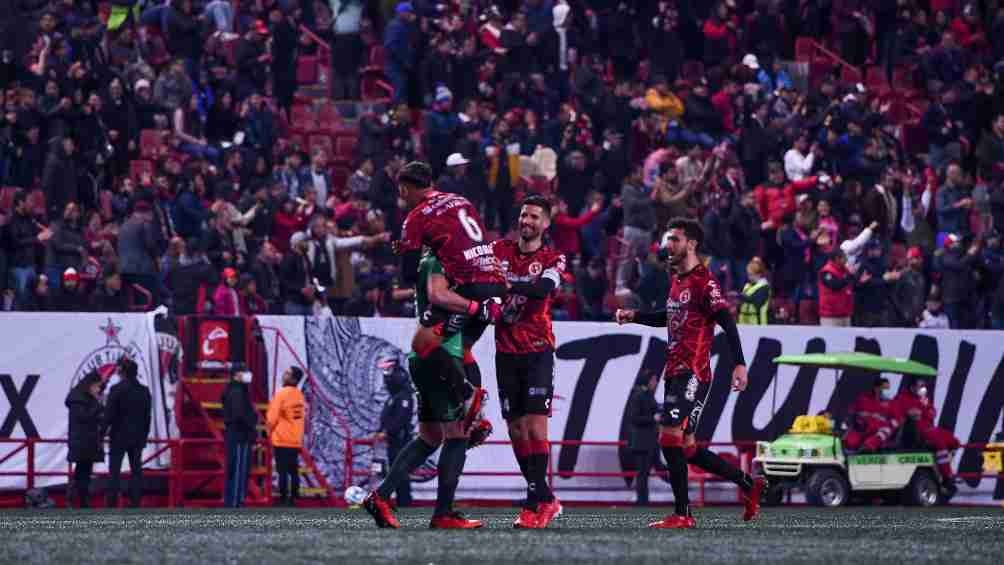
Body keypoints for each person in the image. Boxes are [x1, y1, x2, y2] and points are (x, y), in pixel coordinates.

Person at [615, 217, 764, 529]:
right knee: (688, 448)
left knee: (669, 436)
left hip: (693, 372)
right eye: (669, 239)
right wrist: (635, 316)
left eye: (675, 239)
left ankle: (682, 514)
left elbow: (727, 321)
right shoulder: (678, 280)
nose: (669, 245)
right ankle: (747, 484)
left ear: (692, 244)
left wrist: (739, 363)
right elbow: (667, 318)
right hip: (675, 371)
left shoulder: (703, 282)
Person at [363, 249, 493, 530]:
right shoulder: (444, 268)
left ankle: (381, 496)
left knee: (431, 436)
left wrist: (473, 392)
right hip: (438, 359)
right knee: (456, 436)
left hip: (432, 358)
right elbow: (443, 328)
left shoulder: (441, 270)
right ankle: (443, 512)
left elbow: (464, 347)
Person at [394, 161, 506, 422]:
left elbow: (410, 273)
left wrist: (411, 249)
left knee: (422, 345)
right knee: (463, 348)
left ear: (405, 189)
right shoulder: (460, 200)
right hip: (495, 281)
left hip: (468, 287)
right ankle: (477, 418)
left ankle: (468, 395)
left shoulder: (416, 217)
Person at [492, 195, 566, 528]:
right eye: (524, 215)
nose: (528, 221)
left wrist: (507, 285)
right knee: (516, 429)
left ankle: (535, 503)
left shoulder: (554, 257)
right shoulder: (499, 251)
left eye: (535, 217)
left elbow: (543, 289)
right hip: (505, 351)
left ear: (546, 224)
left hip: (537, 349)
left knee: (536, 427)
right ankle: (546, 497)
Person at [891, 379, 960, 497]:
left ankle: (942, 468)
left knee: (955, 442)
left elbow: (932, 413)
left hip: (930, 427)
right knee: (940, 444)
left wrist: (925, 406)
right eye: (920, 386)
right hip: (917, 430)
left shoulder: (924, 399)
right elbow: (896, 413)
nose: (922, 388)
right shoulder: (901, 398)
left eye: (923, 386)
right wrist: (909, 413)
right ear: (912, 387)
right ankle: (947, 477)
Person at [103, 357, 152, 508]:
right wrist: (144, 436)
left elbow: (109, 415)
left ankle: (111, 504)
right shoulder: (144, 391)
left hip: (118, 436)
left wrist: (101, 433)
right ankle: (135, 502)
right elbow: (147, 417)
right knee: (136, 471)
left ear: (121, 372)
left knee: (114, 472)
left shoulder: (116, 390)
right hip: (137, 437)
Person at [373, 360, 416, 508]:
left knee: (400, 471)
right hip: (392, 441)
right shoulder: (393, 398)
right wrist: (380, 431)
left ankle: (405, 501)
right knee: (393, 471)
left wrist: (387, 432)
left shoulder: (404, 397)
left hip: (401, 441)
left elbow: (400, 419)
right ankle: (399, 500)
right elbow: (387, 418)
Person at [267, 366, 306, 507]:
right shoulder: (299, 395)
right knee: (293, 470)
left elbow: (272, 418)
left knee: (282, 471)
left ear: (294, 378)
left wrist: (267, 432)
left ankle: (283, 498)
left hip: (282, 439)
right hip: (295, 440)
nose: (284, 374)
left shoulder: (282, 394)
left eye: (287, 373)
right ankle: (295, 496)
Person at [65, 370, 104, 508]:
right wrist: (98, 406)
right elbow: (84, 417)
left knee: (84, 471)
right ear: (90, 385)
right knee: (82, 471)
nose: (98, 389)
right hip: (81, 441)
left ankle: (79, 498)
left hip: (89, 441)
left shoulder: (89, 399)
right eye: (97, 386)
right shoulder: (77, 399)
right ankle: (78, 498)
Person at [221, 370, 257, 508]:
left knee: (234, 470)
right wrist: (253, 421)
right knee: (239, 470)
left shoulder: (234, 390)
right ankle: (235, 503)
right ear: (237, 375)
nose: (249, 375)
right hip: (240, 435)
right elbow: (239, 414)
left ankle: (232, 501)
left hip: (235, 433)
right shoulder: (237, 391)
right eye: (244, 372)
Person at [627, 372, 660, 506]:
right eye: (654, 380)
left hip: (648, 440)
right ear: (647, 381)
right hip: (641, 441)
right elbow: (634, 418)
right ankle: (642, 501)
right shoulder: (639, 395)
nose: (656, 383)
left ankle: (644, 500)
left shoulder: (647, 395)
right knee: (642, 473)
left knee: (645, 472)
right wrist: (653, 418)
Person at [843, 377, 898, 452]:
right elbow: (851, 412)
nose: (887, 391)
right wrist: (857, 418)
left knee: (877, 439)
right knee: (848, 444)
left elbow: (895, 420)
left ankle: (866, 450)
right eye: (884, 388)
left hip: (878, 431)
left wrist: (888, 426)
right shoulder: (863, 398)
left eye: (888, 389)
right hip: (861, 428)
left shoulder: (890, 403)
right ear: (876, 388)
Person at [737, 257, 771, 324]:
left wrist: (739, 295)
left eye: (751, 275)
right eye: (748, 274)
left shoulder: (764, 286)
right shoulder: (747, 285)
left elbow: (756, 301)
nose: (749, 277)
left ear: (759, 274)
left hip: (757, 323)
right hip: (744, 321)